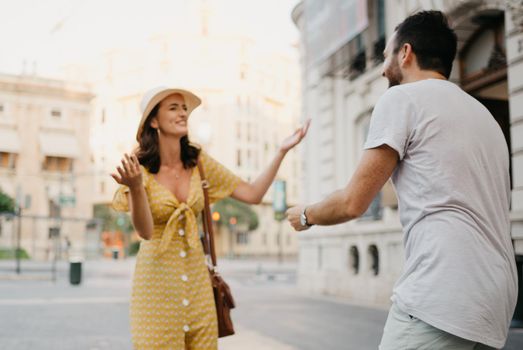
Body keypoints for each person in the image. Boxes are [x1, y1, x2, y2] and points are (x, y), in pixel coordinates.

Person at [286, 10, 517, 350]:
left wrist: (306, 215)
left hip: (441, 291)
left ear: (405, 53)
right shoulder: (484, 116)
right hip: (497, 298)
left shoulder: (401, 99)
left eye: (385, 56)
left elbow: (354, 202)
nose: (381, 69)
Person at [111, 86, 309, 349]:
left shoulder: (199, 162)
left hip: (198, 287)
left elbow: (252, 193)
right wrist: (135, 187)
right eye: (173, 108)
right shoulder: (139, 171)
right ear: (154, 121)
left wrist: (281, 151)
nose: (183, 113)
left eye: (184, 108)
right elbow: (145, 232)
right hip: (156, 290)